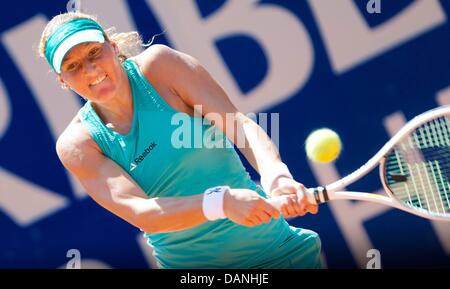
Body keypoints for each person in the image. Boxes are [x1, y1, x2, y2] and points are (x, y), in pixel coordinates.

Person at [38, 11, 323, 269]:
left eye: (94, 53)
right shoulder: (78, 145)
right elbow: (144, 212)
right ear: (62, 80)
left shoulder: (161, 67)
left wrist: (276, 176)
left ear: (113, 47)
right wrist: (221, 202)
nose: (90, 70)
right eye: (73, 66)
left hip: (278, 254)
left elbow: (239, 125)